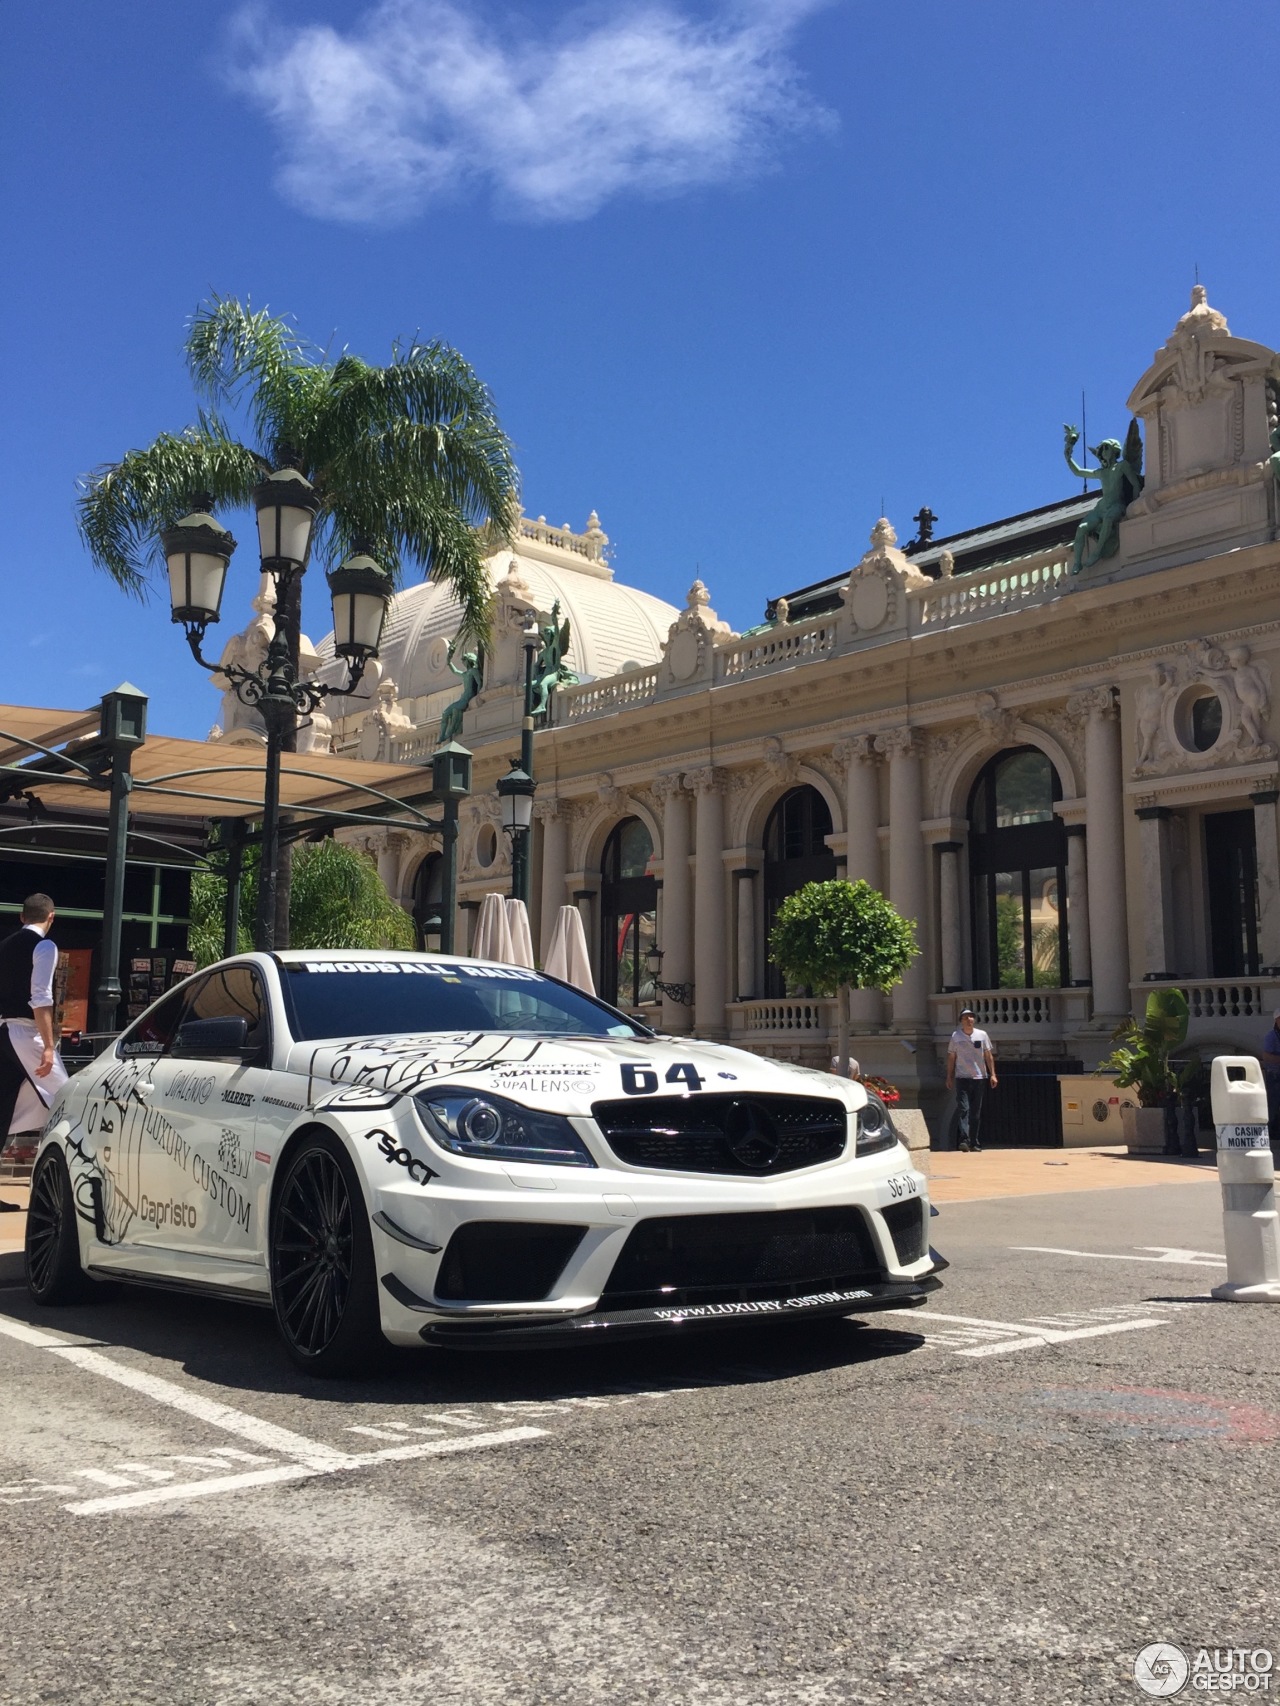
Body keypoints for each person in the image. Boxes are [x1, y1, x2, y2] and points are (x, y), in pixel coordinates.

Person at [0, 894, 69, 1148]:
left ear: (22, 916)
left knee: (5, 1104)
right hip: (26, 1034)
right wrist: (49, 1047)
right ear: (51, 917)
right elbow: (41, 998)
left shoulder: (5, 945)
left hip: (4, 1032)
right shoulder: (45, 946)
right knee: (68, 1097)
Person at [946, 1007, 997, 1152]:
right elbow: (951, 1057)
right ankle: (964, 1140)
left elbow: (988, 1055)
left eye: (971, 1017)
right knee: (964, 1109)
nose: (969, 1020)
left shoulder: (982, 1035)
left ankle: (974, 1142)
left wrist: (993, 1074)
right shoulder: (956, 1036)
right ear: (961, 1021)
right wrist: (949, 1076)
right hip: (962, 1077)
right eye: (966, 1017)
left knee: (975, 1112)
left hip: (979, 1077)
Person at [1262, 1008, 1280, 1152]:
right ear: (1276, 1020)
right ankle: (1270, 1136)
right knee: (1273, 1106)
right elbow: (1267, 1056)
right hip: (1275, 1076)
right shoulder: (1271, 1036)